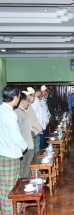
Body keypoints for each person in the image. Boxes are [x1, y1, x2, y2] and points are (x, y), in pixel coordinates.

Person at [0, 85, 27, 215]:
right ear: (15, 97)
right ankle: (10, 211)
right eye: (19, 96)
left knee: (3, 185)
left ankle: (6, 209)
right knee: (11, 186)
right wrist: (24, 146)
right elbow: (16, 137)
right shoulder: (10, 114)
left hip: (2, 154)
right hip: (10, 155)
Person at [15, 93, 34, 178]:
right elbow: (19, 131)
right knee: (24, 168)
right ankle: (23, 186)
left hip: (28, 144)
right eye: (27, 100)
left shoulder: (22, 111)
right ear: (22, 101)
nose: (28, 102)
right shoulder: (18, 112)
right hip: (25, 146)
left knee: (29, 166)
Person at [23, 87, 42, 155]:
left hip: (35, 132)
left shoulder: (29, 105)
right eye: (33, 96)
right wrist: (39, 128)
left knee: (36, 153)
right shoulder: (25, 106)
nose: (34, 98)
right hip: (33, 132)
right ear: (28, 96)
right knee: (34, 155)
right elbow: (32, 120)